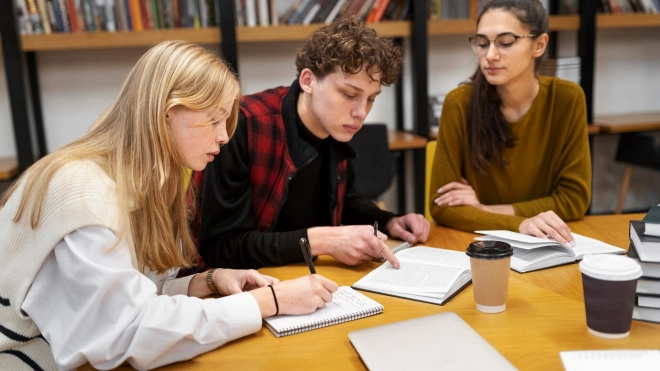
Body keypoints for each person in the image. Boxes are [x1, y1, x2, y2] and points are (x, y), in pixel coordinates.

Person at [0, 41, 337, 370]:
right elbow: (126, 332)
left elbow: (132, 292)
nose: (224, 136)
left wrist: (206, 282)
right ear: (165, 114)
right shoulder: (82, 188)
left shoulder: (154, 180)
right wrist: (267, 302)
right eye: (213, 119)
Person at [197, 17, 429, 271]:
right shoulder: (243, 124)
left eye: (371, 99)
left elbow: (344, 200)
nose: (361, 112)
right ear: (308, 81)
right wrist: (321, 240)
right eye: (349, 95)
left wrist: (389, 221)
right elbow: (222, 249)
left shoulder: (336, 126)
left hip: (310, 276)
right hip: (245, 283)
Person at [429, 0, 591, 245]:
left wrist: (484, 209)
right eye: (482, 44)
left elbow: (575, 200)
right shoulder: (459, 103)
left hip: (547, 244)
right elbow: (441, 207)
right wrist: (521, 224)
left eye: (505, 43)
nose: (490, 55)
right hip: (478, 245)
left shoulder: (567, 99)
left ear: (539, 45)